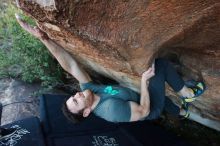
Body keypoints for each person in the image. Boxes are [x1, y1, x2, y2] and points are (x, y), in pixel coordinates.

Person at [15, 14, 205, 123]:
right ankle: (188, 93)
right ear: (87, 112)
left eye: (73, 97)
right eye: (77, 101)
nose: (77, 95)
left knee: (167, 103)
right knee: (160, 66)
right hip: (149, 108)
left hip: (138, 99)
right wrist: (143, 82)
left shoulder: (89, 91)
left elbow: (71, 65)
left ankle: (183, 113)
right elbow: (145, 111)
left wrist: (43, 38)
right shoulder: (111, 111)